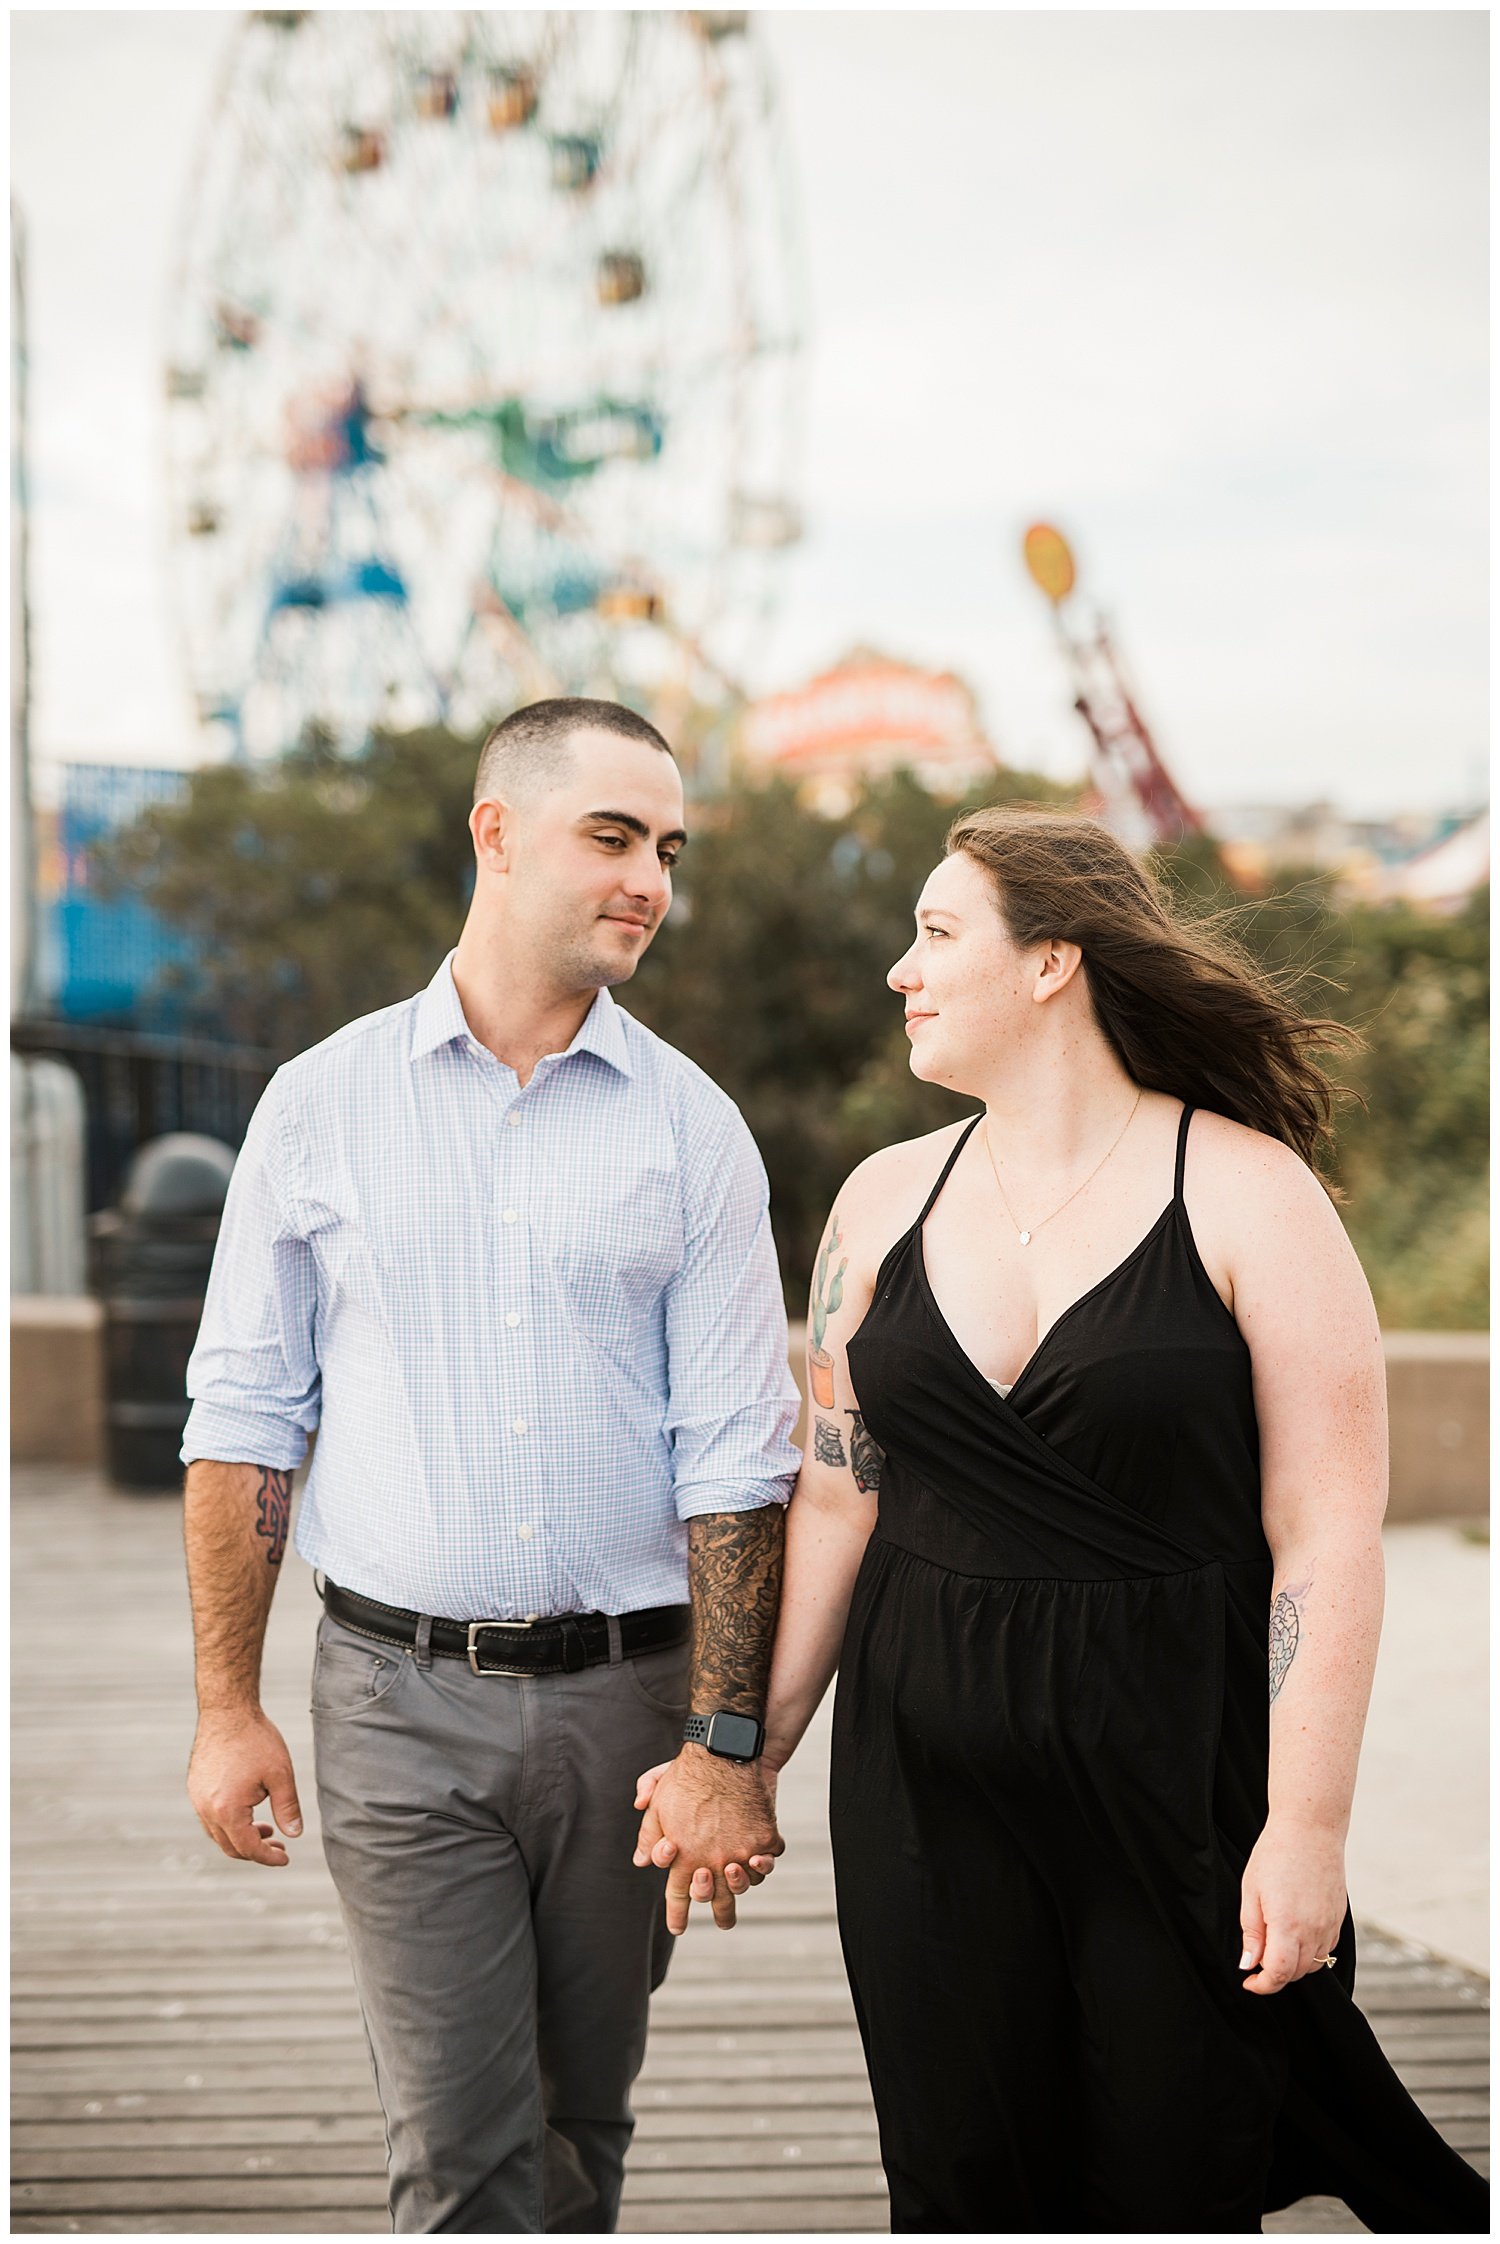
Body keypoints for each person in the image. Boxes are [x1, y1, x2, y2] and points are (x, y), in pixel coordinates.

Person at [635, 805, 1488, 2233]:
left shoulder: (1246, 1192)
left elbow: (1329, 1532)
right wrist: (745, 1756)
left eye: (936, 932)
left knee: (1174, 2170)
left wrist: (1307, 1829)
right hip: (922, 1783)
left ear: (1051, 964)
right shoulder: (884, 1200)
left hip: (1175, 1774)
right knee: (961, 2178)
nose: (901, 971)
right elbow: (840, 1504)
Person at [180, 698, 798, 2234]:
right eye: (613, 836)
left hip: (631, 1713)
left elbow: (737, 1458)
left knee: (581, 2130)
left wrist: (727, 1748)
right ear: (496, 833)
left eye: (667, 848)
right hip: (396, 1708)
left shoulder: (696, 1133)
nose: (650, 878)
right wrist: (224, 1709)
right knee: (462, 2158)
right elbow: (246, 1417)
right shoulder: (320, 1105)